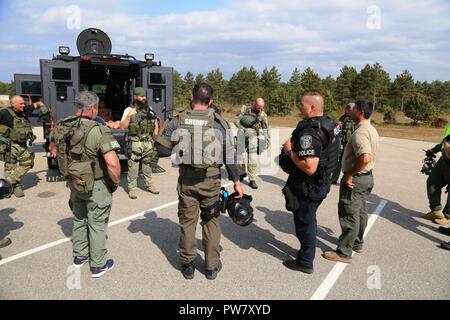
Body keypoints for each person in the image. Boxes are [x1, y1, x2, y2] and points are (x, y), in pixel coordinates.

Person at [155, 83, 244, 280]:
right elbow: (229, 155)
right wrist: (237, 181)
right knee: (211, 220)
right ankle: (211, 266)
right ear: (210, 101)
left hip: (187, 180)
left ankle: (187, 264)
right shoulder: (219, 122)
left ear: (192, 97)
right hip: (210, 180)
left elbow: (160, 149)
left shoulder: (178, 120)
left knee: (188, 221)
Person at [50, 91, 121, 278]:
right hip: (95, 185)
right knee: (97, 224)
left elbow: (53, 150)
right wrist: (114, 183)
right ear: (93, 108)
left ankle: (80, 256)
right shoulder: (98, 130)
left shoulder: (62, 125)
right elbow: (113, 164)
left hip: (74, 182)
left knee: (79, 219)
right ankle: (98, 264)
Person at [281, 92, 340, 273]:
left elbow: (309, 167)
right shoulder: (330, 123)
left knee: (305, 222)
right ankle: (306, 251)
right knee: (309, 218)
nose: (299, 108)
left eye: (302, 105)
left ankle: (305, 261)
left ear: (312, 108)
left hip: (310, 186)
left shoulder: (310, 133)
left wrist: (290, 151)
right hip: (321, 183)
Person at [322, 100, 379, 263]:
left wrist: (350, 174)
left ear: (360, 112)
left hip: (356, 178)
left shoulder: (361, 132)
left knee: (349, 213)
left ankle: (344, 252)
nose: (350, 111)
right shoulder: (371, 128)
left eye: (353, 109)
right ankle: (357, 243)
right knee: (360, 211)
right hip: (366, 178)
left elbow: (365, 157)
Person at [0, 95, 46, 197]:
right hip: (9, 145)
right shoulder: (4, 113)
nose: (23, 105)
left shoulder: (24, 110)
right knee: (10, 167)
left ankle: (7, 184)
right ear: (13, 104)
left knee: (28, 162)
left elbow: (36, 104)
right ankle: (14, 187)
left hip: (22, 144)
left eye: (23, 103)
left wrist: (41, 106)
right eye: (21, 103)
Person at [121, 87, 159, 199]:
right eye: (141, 96)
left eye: (144, 96)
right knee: (133, 167)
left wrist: (154, 138)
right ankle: (132, 189)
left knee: (147, 165)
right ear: (135, 97)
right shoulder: (128, 110)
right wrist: (130, 115)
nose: (144, 98)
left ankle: (149, 184)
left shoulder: (150, 109)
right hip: (135, 143)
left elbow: (155, 124)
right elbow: (123, 127)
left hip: (147, 142)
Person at [234, 98, 270, 189]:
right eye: (259, 107)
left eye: (262, 108)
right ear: (254, 104)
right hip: (242, 133)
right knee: (239, 156)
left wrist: (267, 141)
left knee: (252, 157)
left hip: (253, 136)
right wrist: (243, 129)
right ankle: (242, 173)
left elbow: (266, 129)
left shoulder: (262, 115)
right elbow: (236, 121)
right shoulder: (244, 109)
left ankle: (252, 179)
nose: (260, 110)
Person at [422, 124, 450, 226]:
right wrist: (433, 150)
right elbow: (446, 141)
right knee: (432, 182)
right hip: (444, 160)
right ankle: (436, 211)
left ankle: (447, 216)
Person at [331, 103, 355, 184]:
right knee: (339, 161)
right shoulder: (343, 118)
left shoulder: (356, 119)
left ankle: (348, 178)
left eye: (351, 110)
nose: (349, 111)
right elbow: (336, 130)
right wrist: (337, 125)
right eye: (348, 109)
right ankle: (334, 179)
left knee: (350, 161)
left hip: (351, 143)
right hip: (342, 142)